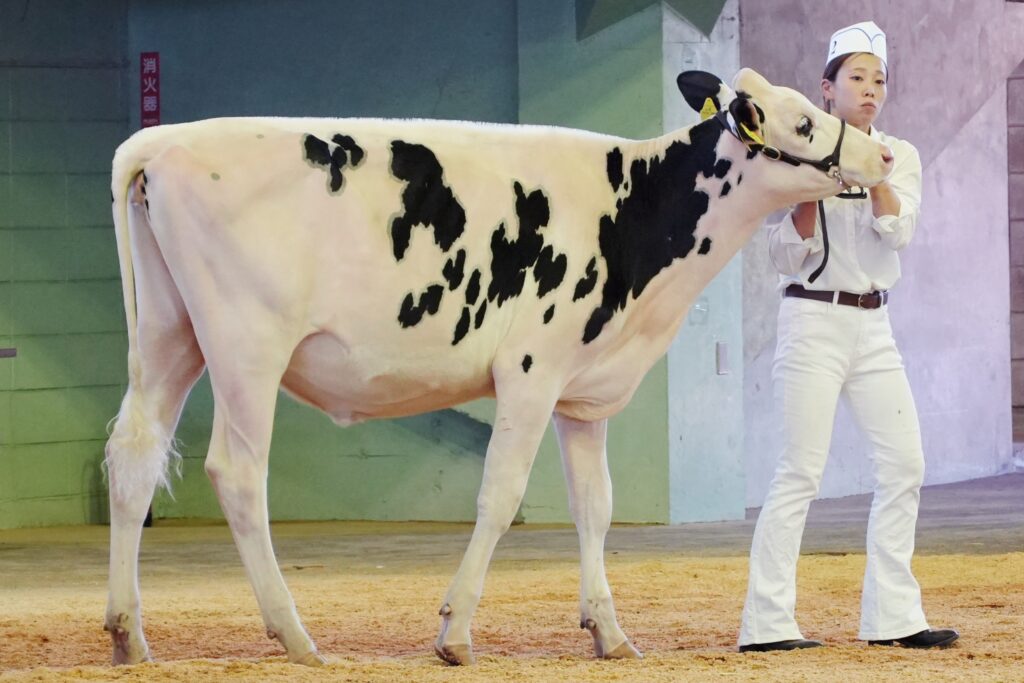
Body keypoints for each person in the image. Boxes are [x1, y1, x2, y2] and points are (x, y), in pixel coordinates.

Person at [737, 20, 959, 652]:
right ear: (826, 89)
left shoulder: (900, 155)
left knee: (905, 465)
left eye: (878, 80)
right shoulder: (792, 154)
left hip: (874, 323)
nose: (870, 90)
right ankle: (766, 625)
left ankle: (894, 618)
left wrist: (874, 172)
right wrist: (811, 182)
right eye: (856, 78)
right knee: (800, 472)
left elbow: (898, 232)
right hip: (812, 321)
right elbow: (785, 255)